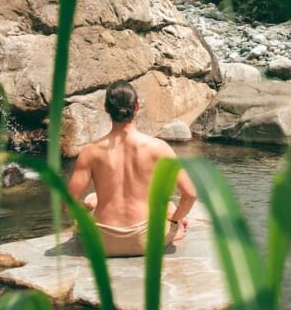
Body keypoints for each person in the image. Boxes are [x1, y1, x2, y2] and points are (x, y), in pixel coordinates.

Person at [67, 79, 197, 256]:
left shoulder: (91, 151)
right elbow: (190, 194)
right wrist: (175, 222)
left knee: (92, 199)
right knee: (167, 206)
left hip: (101, 242)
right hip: (146, 241)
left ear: (106, 107)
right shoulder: (159, 148)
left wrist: (85, 211)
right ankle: (175, 230)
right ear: (137, 107)